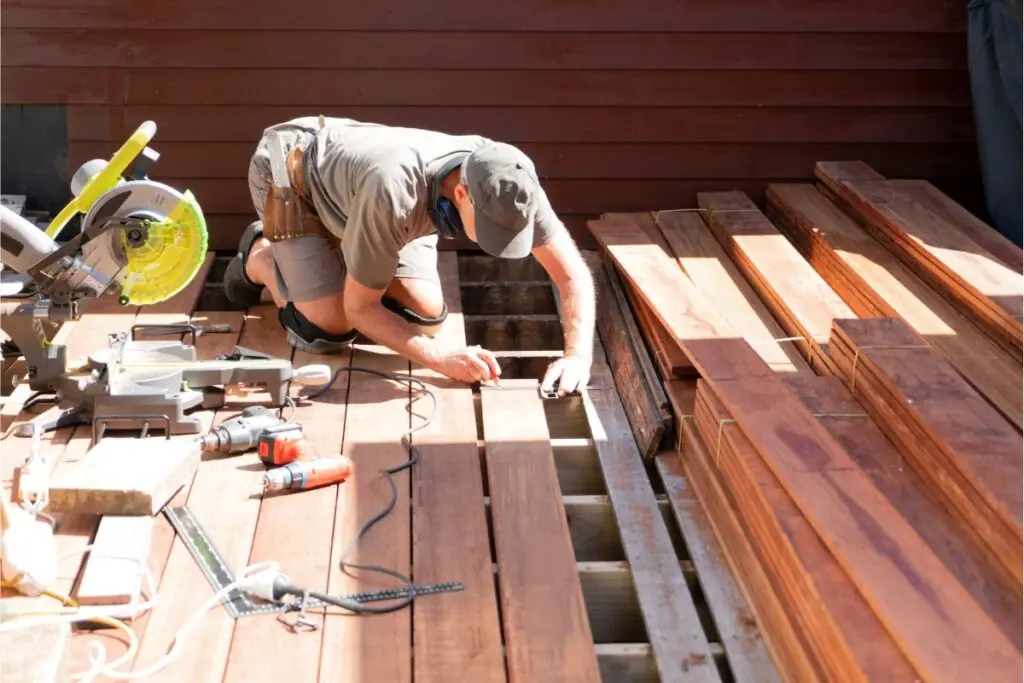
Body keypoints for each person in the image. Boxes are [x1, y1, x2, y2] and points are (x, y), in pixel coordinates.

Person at [223, 116, 595, 396]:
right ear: (462, 194)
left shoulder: (512, 181)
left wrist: (577, 356)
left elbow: (571, 275)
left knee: (425, 316)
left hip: (368, 196)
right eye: (490, 229)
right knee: (328, 329)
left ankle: (350, 255)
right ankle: (262, 258)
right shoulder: (394, 191)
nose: (500, 242)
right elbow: (361, 310)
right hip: (293, 172)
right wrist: (440, 360)